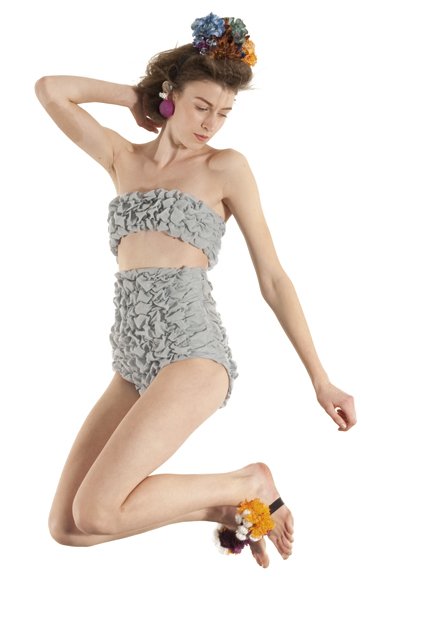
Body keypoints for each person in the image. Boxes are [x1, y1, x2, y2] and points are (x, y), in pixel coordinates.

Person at [35, 13, 356, 569]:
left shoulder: (225, 168)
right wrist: (134, 97)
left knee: (98, 511)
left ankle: (246, 482)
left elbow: (273, 277)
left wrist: (320, 378)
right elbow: (50, 90)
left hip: (192, 353)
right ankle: (222, 504)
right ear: (171, 96)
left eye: (224, 113)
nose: (212, 123)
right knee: (69, 526)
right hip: (132, 359)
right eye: (202, 106)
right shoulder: (124, 158)